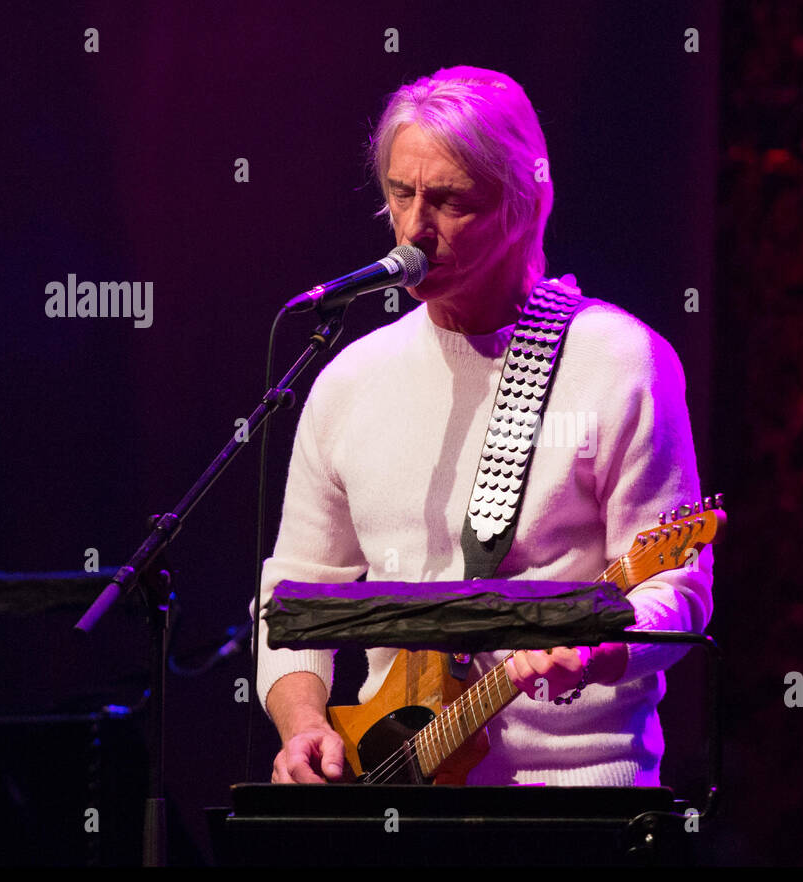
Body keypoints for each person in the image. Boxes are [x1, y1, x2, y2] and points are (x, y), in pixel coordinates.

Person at [255, 65, 713, 787]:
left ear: (527, 204)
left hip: (579, 796)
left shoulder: (618, 361)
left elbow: (678, 592)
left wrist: (598, 650)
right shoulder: (351, 378)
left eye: (450, 202)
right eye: (401, 194)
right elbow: (294, 590)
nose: (414, 228)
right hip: (400, 785)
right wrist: (305, 725)